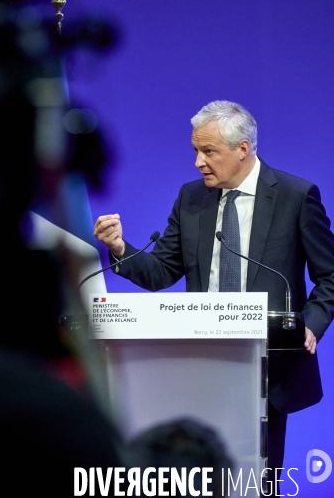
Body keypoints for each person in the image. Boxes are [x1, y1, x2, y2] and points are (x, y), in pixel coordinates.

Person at [94, 100, 334, 488]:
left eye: (208, 151)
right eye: (195, 151)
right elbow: (161, 270)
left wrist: (311, 327)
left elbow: (331, 275)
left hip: (267, 368)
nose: (198, 162)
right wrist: (121, 248)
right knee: (200, 483)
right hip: (199, 364)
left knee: (259, 484)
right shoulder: (191, 197)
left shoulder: (296, 196)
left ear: (243, 149)